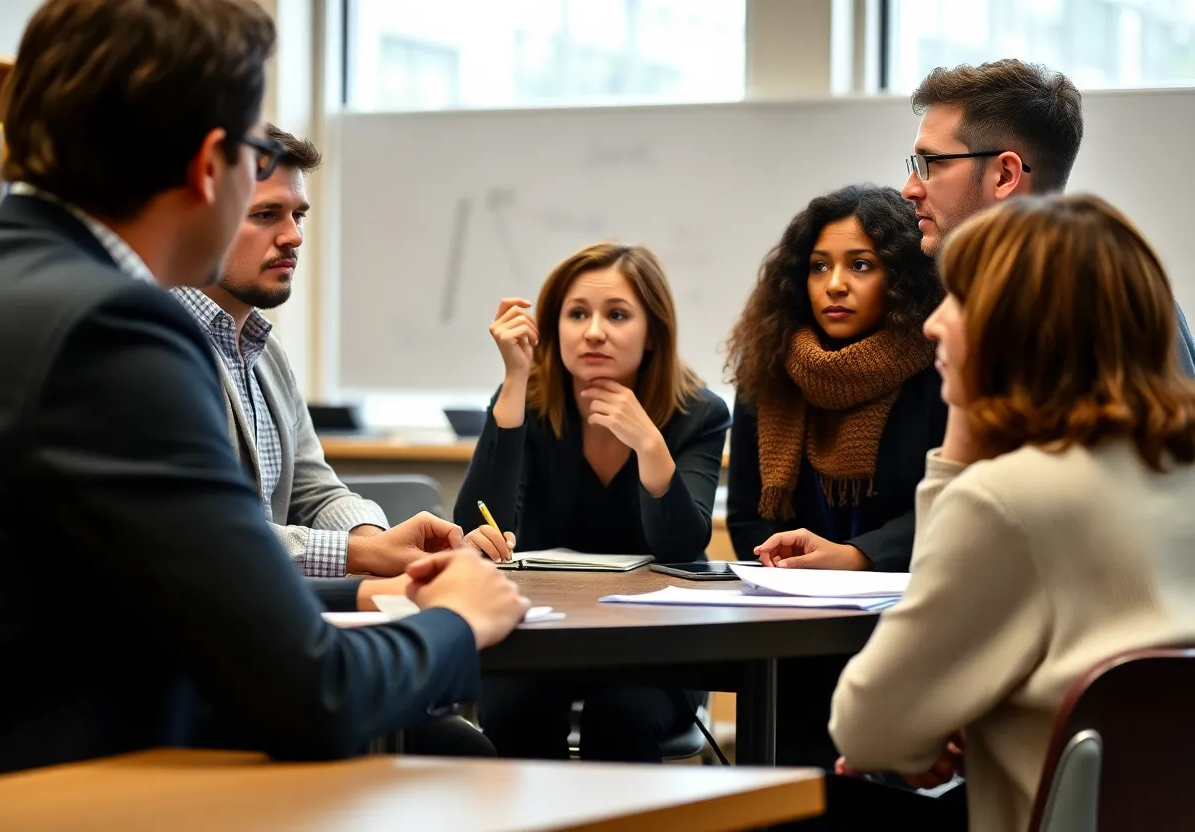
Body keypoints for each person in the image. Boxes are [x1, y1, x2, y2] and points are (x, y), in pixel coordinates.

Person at [0, 0, 527, 778]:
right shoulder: (112, 331)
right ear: (211, 167)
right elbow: (310, 694)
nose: (292, 232)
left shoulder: (11, 281)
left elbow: (128, 599)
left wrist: (362, 593)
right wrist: (457, 625)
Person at [830, 193, 1195, 832]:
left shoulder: (1009, 499)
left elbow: (865, 731)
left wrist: (961, 445)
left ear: (1023, 326)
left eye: (960, 301)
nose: (932, 324)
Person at [722, 185, 949, 827]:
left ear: (901, 277)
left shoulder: (941, 370)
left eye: (861, 265)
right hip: (793, 628)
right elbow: (747, 515)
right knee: (779, 793)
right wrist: (781, 567)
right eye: (819, 266)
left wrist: (856, 558)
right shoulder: (771, 368)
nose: (835, 285)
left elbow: (952, 505)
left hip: (903, 622)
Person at [453, 242, 730, 761]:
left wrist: (649, 443)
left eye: (617, 314)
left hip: (655, 653)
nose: (594, 331)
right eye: (577, 314)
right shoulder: (527, 401)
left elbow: (681, 547)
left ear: (653, 333)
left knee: (622, 717)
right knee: (516, 713)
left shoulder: (698, 413)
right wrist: (514, 382)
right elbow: (476, 528)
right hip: (538, 642)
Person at [171, 124, 398, 579]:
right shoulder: (159, 348)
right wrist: (361, 556)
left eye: (298, 216)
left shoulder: (265, 349)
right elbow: (203, 526)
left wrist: (384, 542)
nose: (293, 236)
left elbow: (313, 492)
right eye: (266, 215)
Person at [902, 58, 1195, 374]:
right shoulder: (961, 295)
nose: (910, 189)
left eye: (929, 163)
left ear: (1004, 175)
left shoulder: (1110, 309)